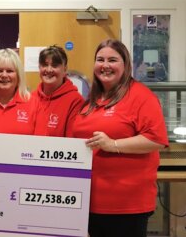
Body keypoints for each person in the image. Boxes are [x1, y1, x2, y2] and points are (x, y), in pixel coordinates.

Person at [69, 39, 168, 237]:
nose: (105, 65)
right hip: (88, 201)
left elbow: (156, 139)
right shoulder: (93, 99)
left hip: (126, 205)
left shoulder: (141, 96)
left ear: (125, 65)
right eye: (100, 60)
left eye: (112, 60)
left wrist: (113, 144)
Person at [33, 45, 84, 137]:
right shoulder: (30, 98)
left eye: (54, 65)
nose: (49, 70)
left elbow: (72, 142)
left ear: (64, 69)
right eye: (45, 65)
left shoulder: (75, 100)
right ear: (39, 68)